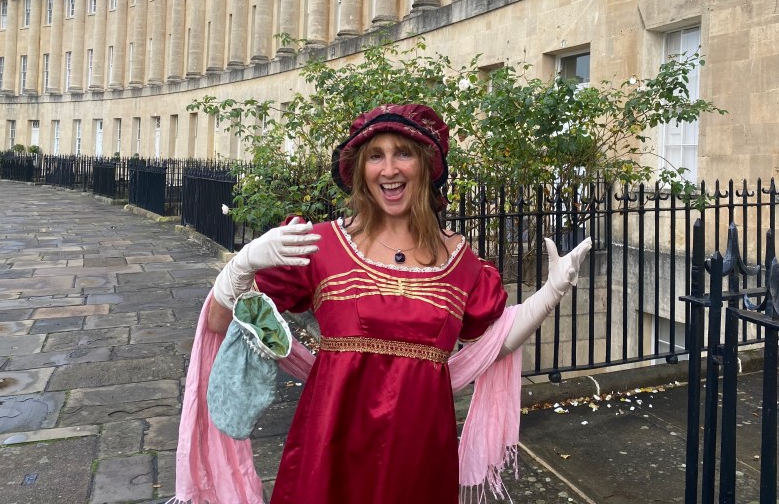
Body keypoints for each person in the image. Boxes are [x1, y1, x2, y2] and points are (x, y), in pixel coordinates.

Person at [203, 103, 591, 504]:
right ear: (359, 170)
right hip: (330, 448)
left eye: (402, 153)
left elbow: (494, 344)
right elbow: (219, 320)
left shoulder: (462, 262)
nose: (388, 170)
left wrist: (551, 293)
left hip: (419, 453)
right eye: (375, 156)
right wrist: (244, 264)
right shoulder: (318, 246)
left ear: (425, 165)